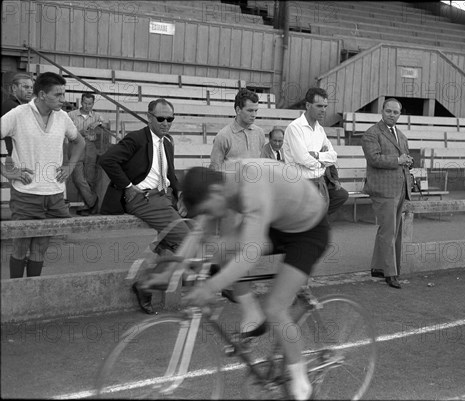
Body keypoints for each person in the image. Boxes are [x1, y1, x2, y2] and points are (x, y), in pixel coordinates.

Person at [180, 160, 328, 400]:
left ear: (216, 193)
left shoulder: (251, 186)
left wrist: (209, 286)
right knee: (221, 249)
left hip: (308, 230)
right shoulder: (221, 182)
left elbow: (250, 253)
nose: (208, 216)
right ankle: (252, 314)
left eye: (207, 208)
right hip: (277, 220)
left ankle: (302, 386)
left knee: (275, 307)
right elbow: (200, 230)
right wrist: (175, 265)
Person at [98, 98, 189, 314]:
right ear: (149, 117)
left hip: (165, 197)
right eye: (161, 118)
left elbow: (170, 174)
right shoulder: (136, 138)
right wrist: (129, 186)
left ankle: (147, 281)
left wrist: (181, 193)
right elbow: (107, 160)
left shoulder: (167, 142)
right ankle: (146, 284)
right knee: (187, 239)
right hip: (144, 198)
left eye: (170, 119)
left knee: (190, 234)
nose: (166, 123)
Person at [0, 71, 85, 278]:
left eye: (63, 94)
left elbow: (79, 141)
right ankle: (18, 294)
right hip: (26, 192)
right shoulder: (18, 114)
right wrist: (8, 172)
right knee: (20, 246)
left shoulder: (63, 117)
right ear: (41, 94)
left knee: (40, 248)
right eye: (58, 95)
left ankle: (34, 294)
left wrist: (70, 167)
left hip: (54, 193)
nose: (63, 100)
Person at [361, 98, 413, 289]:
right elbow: (374, 159)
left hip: (400, 188)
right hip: (383, 189)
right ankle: (391, 273)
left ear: (400, 114)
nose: (392, 115)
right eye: (388, 111)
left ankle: (378, 268)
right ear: (382, 111)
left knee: (390, 230)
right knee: (389, 232)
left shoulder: (401, 136)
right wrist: (399, 160)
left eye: (396, 112)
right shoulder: (371, 133)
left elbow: (402, 160)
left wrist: (407, 161)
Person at [281, 87, 341, 210]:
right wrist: (323, 163)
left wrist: (317, 155)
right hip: (300, 184)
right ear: (308, 105)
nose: (323, 110)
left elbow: (333, 157)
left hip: (320, 182)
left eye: (325, 106)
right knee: (302, 225)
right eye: (319, 106)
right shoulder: (295, 128)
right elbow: (303, 159)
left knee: (318, 223)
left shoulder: (320, 130)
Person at [68, 93, 110, 215]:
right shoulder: (71, 115)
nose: (87, 106)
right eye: (85, 103)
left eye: (90, 104)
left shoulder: (96, 116)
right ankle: (93, 201)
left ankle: (85, 207)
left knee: (89, 178)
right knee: (78, 178)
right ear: (81, 102)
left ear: (93, 103)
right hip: (76, 146)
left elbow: (107, 124)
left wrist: (98, 124)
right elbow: (66, 131)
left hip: (91, 147)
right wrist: (81, 132)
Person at [209, 88, 266, 169]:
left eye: (256, 110)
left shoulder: (260, 133)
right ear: (238, 110)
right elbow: (214, 170)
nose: (254, 115)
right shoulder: (223, 136)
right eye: (250, 111)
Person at [2, 71, 34, 162]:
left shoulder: (16, 106)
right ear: (14, 88)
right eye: (26, 87)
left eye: (31, 87)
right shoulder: (13, 107)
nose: (30, 90)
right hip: (13, 157)